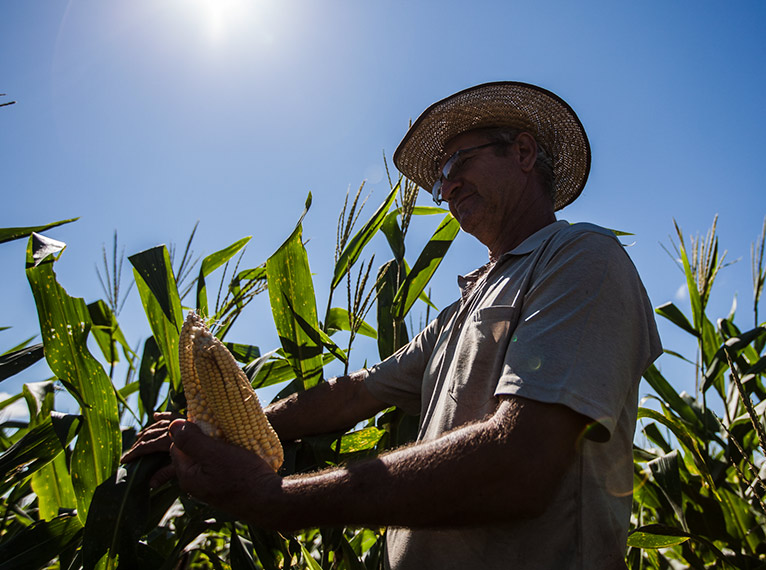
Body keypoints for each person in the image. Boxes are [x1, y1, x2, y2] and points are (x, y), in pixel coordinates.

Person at [122, 81, 662, 569]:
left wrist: (275, 501)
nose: (445, 188)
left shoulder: (581, 260)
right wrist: (232, 422)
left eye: (457, 165)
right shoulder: (465, 309)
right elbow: (355, 392)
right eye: (438, 182)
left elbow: (522, 463)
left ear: (522, 152)